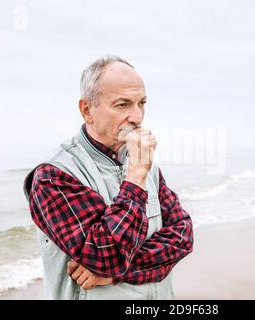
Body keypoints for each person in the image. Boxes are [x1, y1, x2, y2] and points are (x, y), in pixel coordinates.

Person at [23, 55, 193, 300]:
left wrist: (118, 274)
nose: (137, 117)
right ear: (87, 110)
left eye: (141, 103)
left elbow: (182, 236)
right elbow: (107, 256)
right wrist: (135, 175)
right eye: (122, 105)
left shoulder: (147, 167)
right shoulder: (54, 176)